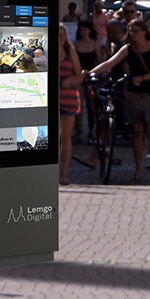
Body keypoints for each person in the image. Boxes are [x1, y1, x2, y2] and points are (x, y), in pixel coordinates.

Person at [90, 18, 150, 182]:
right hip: (134, 94)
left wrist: (143, 78)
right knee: (137, 132)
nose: (133, 34)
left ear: (145, 31)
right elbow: (109, 63)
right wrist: (90, 73)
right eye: (130, 31)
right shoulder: (127, 49)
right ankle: (139, 169)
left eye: (136, 31)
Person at [56, 25, 84, 185]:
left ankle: (64, 173)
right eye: (58, 35)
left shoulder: (70, 52)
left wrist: (69, 81)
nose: (60, 38)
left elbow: (79, 76)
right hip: (51, 99)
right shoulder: (44, 53)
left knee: (66, 136)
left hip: (68, 97)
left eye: (63, 35)